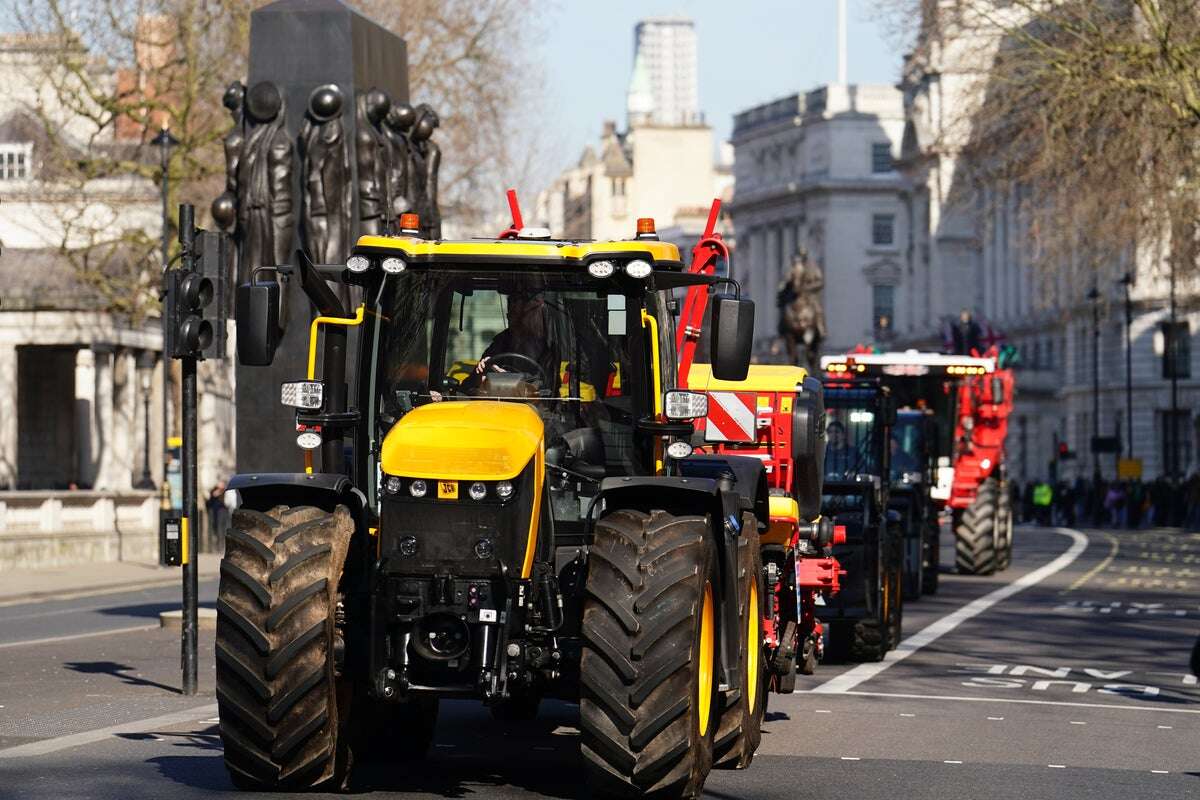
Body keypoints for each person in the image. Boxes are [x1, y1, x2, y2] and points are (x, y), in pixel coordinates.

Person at [473, 288, 561, 392]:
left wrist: (508, 378)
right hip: (496, 404)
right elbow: (471, 383)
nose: (518, 323)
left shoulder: (548, 344)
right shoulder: (500, 342)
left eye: (522, 317)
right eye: (514, 315)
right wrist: (481, 374)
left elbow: (547, 384)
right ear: (508, 316)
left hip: (537, 405)